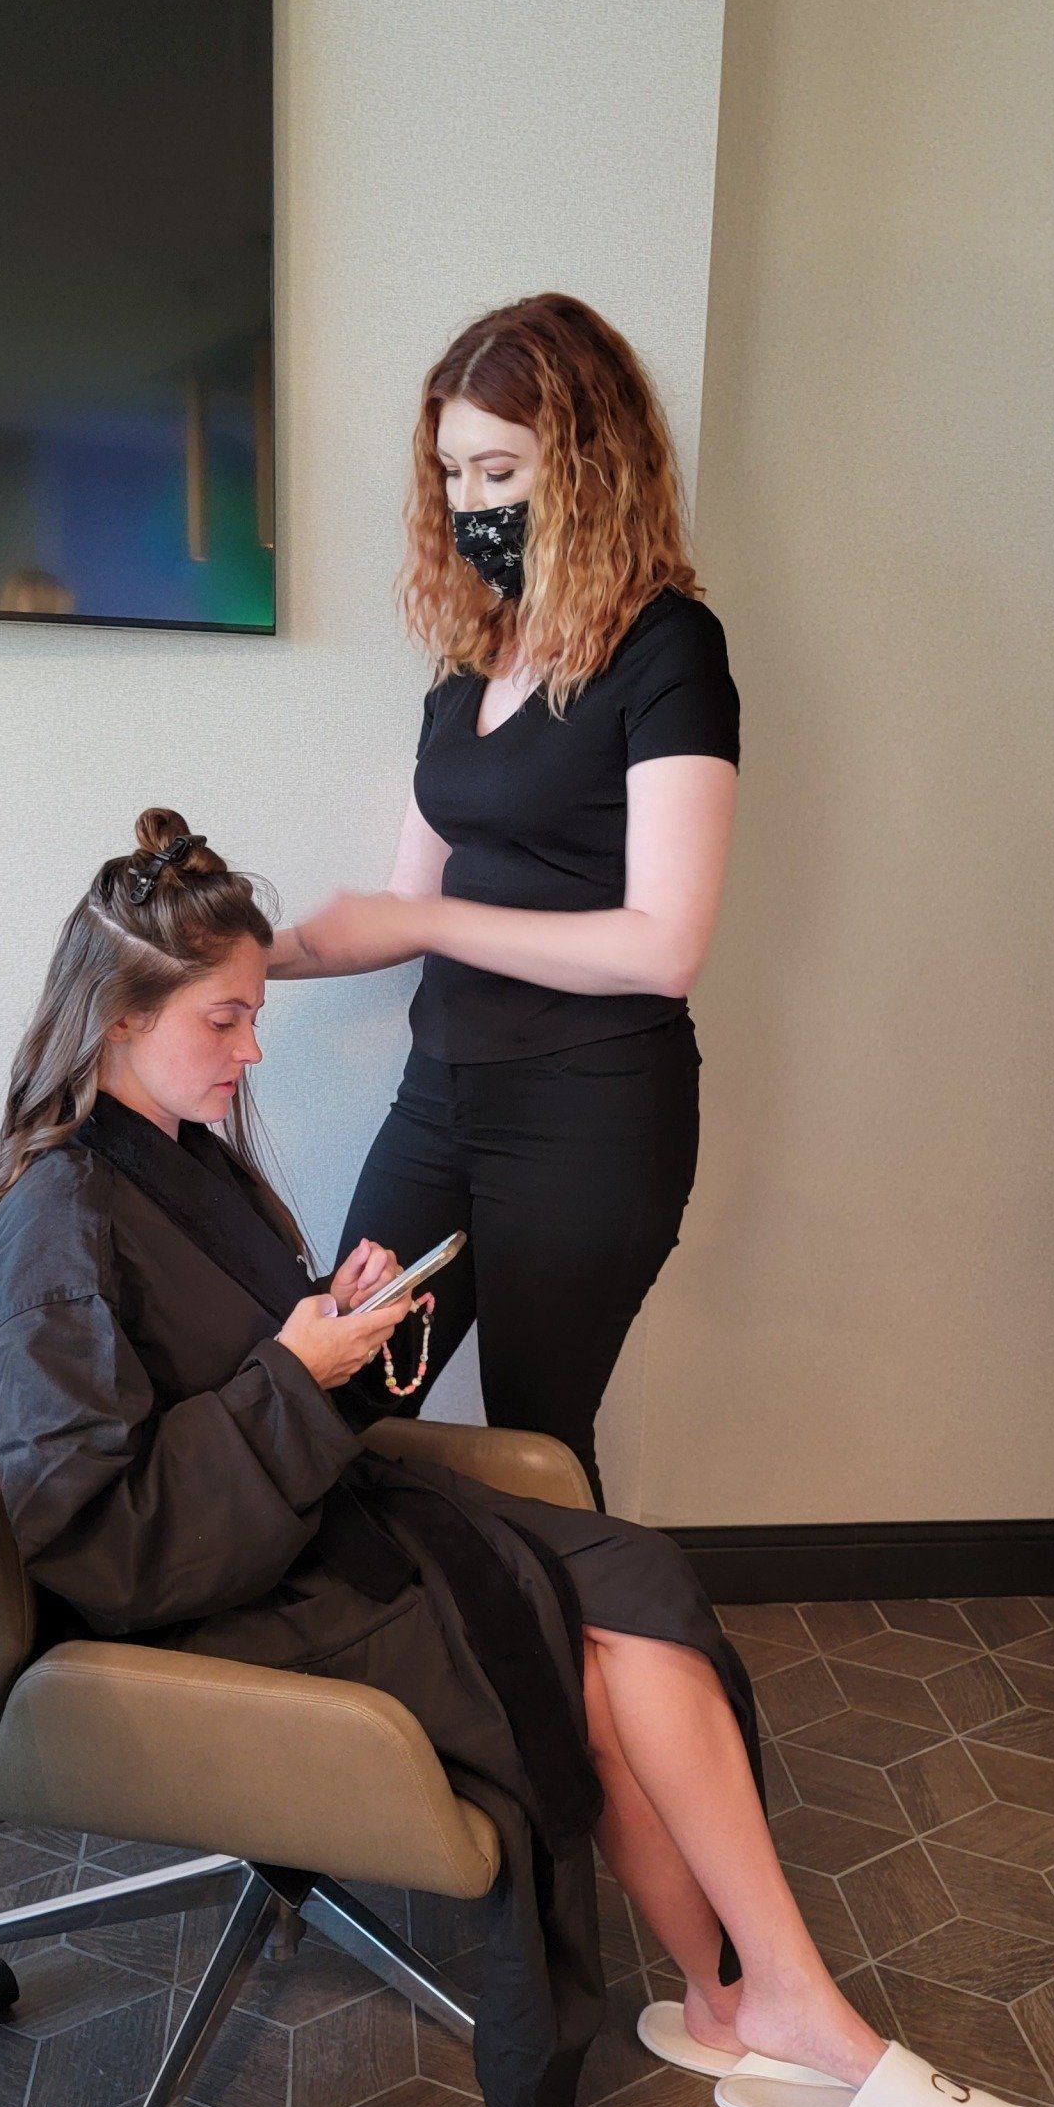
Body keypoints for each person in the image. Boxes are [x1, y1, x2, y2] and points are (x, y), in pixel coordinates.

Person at [0, 811, 1042, 2107]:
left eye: (252, 1021)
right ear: (121, 1017)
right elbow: (98, 1538)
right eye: (227, 1022)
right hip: (205, 1601)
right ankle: (767, 2005)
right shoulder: (59, 1218)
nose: (251, 1055)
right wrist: (294, 1377)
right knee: (571, 1658)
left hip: (298, 1528)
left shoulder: (176, 1158)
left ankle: (758, 1997)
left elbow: (237, 1382)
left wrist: (333, 1332)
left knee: (630, 1576)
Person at [270, 292, 737, 1507]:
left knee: (537, 1441)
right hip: (443, 1098)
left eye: (499, 469)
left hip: (591, 1117)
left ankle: (575, 1681)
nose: (472, 503)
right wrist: (235, 958)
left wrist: (420, 926)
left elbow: (664, 945)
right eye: (451, 474)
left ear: (586, 466)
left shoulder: (669, 651)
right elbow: (399, 901)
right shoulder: (467, 671)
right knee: (343, 1402)